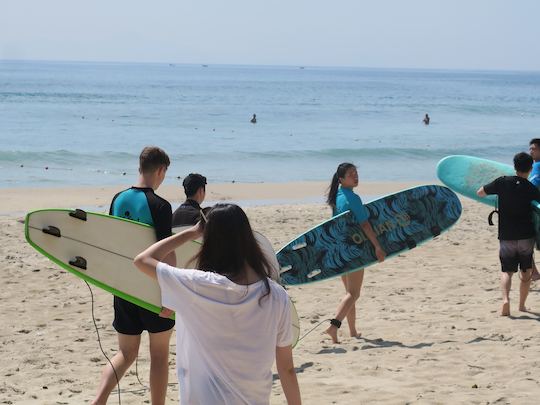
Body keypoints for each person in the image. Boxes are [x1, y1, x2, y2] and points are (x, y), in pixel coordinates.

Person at [134, 204, 302, 405]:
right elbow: (287, 369)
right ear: (248, 238)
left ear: (210, 241)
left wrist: (193, 231)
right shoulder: (276, 295)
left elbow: (143, 260)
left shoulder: (197, 286)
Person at [92, 146, 176, 405]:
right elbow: (167, 252)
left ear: (140, 167)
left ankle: (99, 400)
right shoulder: (160, 206)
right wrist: (171, 296)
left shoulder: (118, 199)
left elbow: (112, 243)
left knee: (126, 354)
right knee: (160, 355)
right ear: (160, 170)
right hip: (152, 290)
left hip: (124, 287)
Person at [324, 163, 386, 344]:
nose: (355, 176)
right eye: (351, 174)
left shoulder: (338, 196)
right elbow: (365, 225)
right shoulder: (353, 198)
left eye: (356, 173)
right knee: (354, 294)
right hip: (354, 250)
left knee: (349, 293)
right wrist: (377, 246)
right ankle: (333, 326)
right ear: (341, 179)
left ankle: (352, 331)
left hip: (340, 248)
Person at [477, 152, 540, 316]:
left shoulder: (502, 182)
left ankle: (505, 300)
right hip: (526, 235)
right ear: (531, 168)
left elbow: (480, 193)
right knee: (526, 272)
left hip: (507, 235)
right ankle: (522, 306)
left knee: (506, 271)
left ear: (514, 166)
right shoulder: (531, 188)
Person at [528, 138, 540, 282]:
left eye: (534, 148)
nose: (531, 151)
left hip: (535, 209)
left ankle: (534, 273)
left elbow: (530, 186)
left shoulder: (537, 166)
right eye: (530, 148)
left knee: (526, 241)